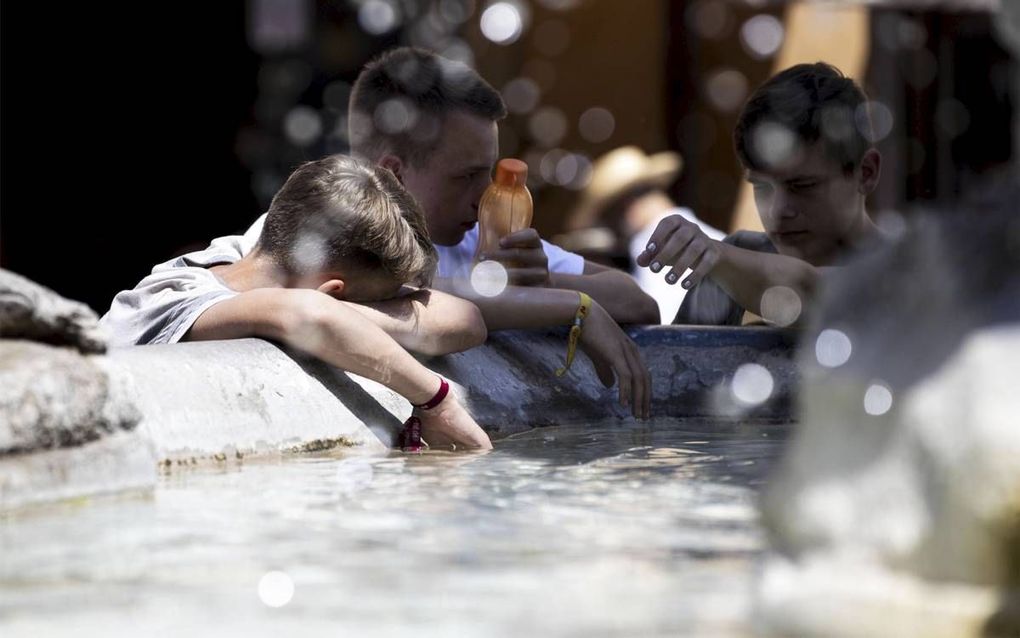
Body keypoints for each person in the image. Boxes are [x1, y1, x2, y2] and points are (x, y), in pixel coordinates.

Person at [170, 47, 653, 418]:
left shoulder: (481, 233)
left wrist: (546, 284)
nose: (484, 195)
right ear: (394, 174)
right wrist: (563, 307)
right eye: (466, 177)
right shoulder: (293, 239)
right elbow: (415, 303)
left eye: (488, 175)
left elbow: (638, 302)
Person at [101, 154, 492, 450]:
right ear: (332, 291)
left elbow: (466, 319)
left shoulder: (255, 250)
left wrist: (351, 315)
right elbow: (310, 314)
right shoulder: (175, 299)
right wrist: (436, 402)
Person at [637, 62, 883, 326]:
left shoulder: (910, 268)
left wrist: (719, 258)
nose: (778, 210)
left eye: (803, 186)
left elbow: (807, 289)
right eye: (762, 188)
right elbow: (682, 361)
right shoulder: (734, 257)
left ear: (865, 173)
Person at [562, 146, 725, 323]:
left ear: (624, 206)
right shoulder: (715, 237)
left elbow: (664, 326)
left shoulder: (652, 244)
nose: (615, 233)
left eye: (610, 219)